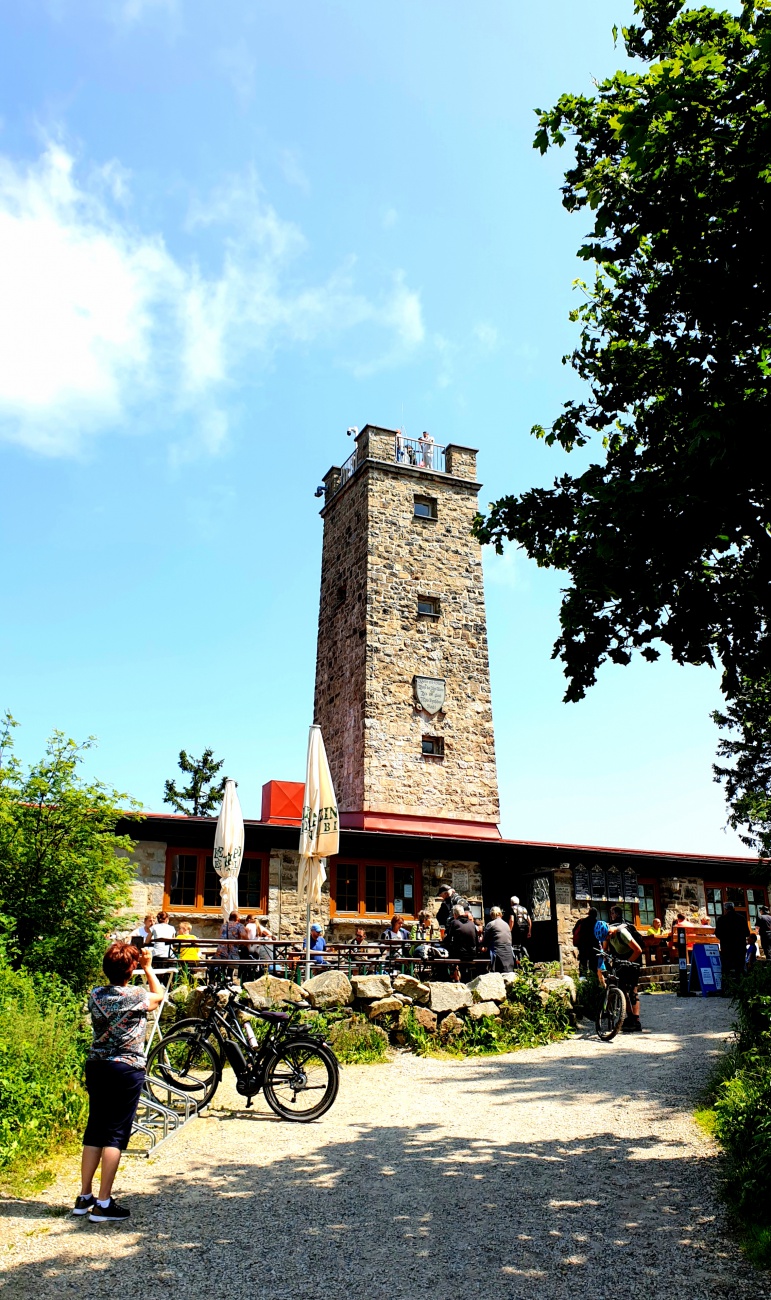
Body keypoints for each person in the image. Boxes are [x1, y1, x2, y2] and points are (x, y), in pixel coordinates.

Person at [72, 941, 165, 1222]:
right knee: (115, 1135)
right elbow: (159, 995)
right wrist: (149, 967)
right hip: (126, 1068)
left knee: (95, 1129)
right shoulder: (137, 995)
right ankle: (103, 1203)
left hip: (97, 1065)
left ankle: (84, 1196)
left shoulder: (96, 994)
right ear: (131, 968)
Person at [606, 909, 644, 1032]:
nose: (606, 938)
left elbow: (638, 950)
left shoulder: (623, 933)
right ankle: (629, 1016)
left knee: (632, 989)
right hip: (620, 957)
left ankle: (636, 1021)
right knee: (621, 987)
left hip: (633, 957)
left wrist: (628, 962)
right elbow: (606, 949)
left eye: (607, 936)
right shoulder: (606, 933)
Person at [715, 901, 750, 985]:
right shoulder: (741, 918)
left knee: (726, 969)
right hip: (739, 947)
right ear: (734, 908)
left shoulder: (721, 919)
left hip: (727, 947)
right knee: (739, 968)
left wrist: (725, 939)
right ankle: (740, 986)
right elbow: (747, 933)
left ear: (725, 909)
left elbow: (717, 933)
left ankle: (726, 987)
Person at [444, 903, 478, 982]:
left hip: (460, 954)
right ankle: (464, 978)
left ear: (455, 915)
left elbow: (448, 939)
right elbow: (476, 941)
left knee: (445, 955)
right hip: (472, 954)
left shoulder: (454, 923)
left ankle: (449, 977)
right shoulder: (472, 924)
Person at [484, 905, 515, 973]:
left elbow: (485, 940)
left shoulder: (490, 924)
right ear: (500, 914)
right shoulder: (506, 924)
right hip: (509, 953)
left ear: (491, 914)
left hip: (497, 954)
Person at [572, 906, 599, 974]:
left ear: (588, 913)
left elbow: (574, 931)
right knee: (593, 965)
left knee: (583, 964)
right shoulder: (597, 923)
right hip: (594, 947)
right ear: (596, 915)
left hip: (583, 946)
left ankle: (582, 980)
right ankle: (593, 981)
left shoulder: (581, 921)